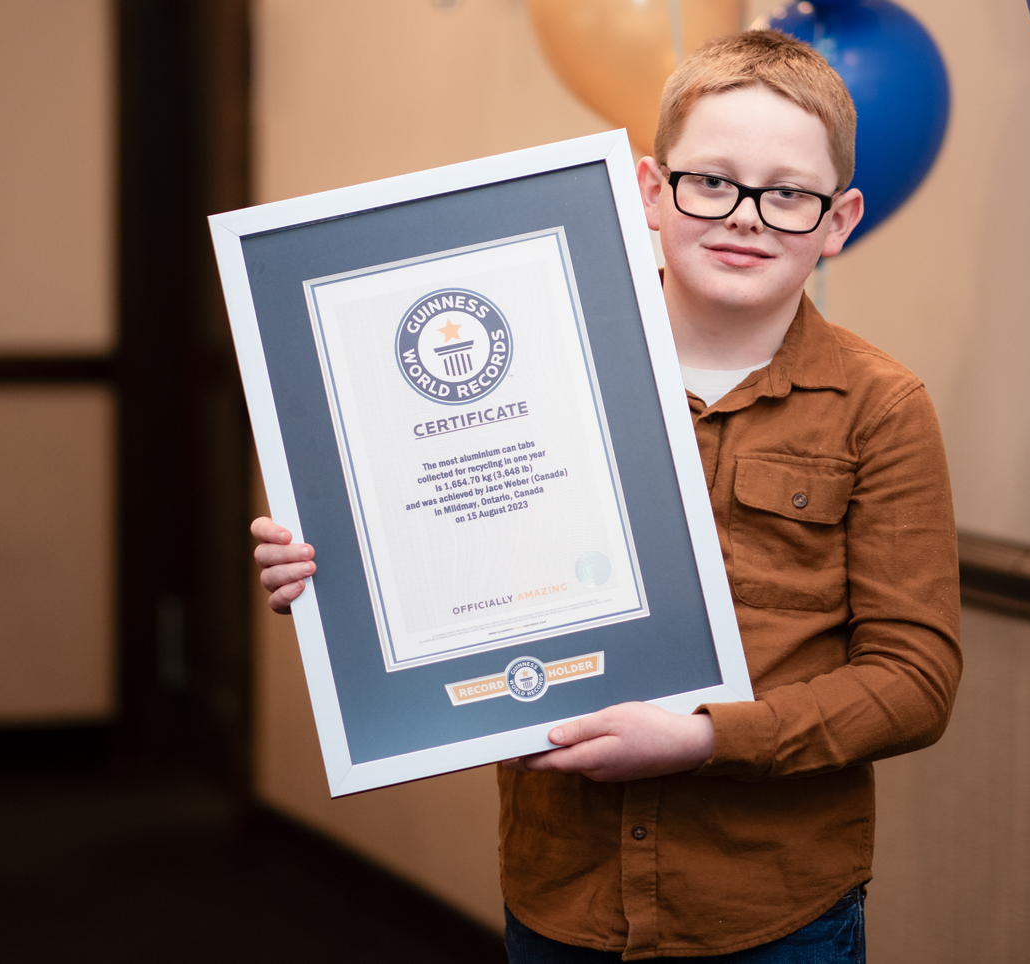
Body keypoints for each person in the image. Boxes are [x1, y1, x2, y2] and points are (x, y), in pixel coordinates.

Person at [253, 30, 961, 963]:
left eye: (789, 193)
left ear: (839, 219)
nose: (746, 216)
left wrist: (707, 739)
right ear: (650, 191)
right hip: (562, 896)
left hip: (772, 911)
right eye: (712, 181)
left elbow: (915, 683)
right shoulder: (538, 365)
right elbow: (444, 533)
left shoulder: (883, 408)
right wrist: (335, 564)